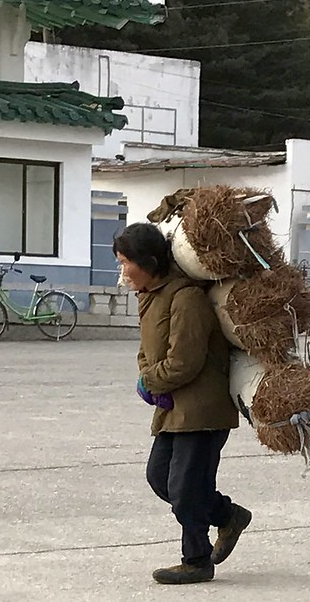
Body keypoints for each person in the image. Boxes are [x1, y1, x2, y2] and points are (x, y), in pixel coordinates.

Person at [113, 222, 252, 585]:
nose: (122, 270)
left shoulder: (185, 297)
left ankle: (196, 561)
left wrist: (150, 380)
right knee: (160, 478)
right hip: (173, 406)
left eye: (126, 261)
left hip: (203, 409)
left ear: (148, 261)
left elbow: (185, 361)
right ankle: (227, 516)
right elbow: (147, 351)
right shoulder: (151, 296)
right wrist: (147, 377)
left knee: (185, 490)